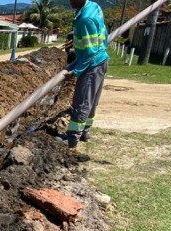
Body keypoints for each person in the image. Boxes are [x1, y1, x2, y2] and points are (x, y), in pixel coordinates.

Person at [59, 0, 109, 148]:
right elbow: (101, 33)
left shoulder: (85, 19)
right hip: (101, 60)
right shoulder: (94, 7)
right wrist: (75, 40)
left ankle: (72, 139)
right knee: (91, 101)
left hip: (92, 65)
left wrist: (75, 72)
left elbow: (89, 53)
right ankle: (85, 132)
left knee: (82, 102)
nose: (69, 1)